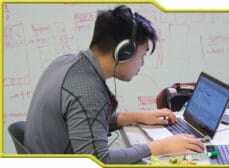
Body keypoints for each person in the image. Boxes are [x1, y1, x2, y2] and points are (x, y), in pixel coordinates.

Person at [24, 5, 204, 164]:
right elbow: (99, 160)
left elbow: (83, 122)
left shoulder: (65, 62)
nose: (141, 63)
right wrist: (160, 147)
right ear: (124, 52)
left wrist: (135, 116)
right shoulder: (88, 92)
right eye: (142, 55)